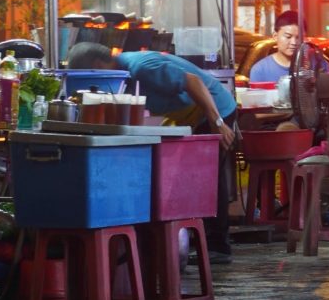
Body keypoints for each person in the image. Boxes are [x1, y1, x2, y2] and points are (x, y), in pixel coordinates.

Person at [67, 42, 237, 264]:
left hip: (215, 111)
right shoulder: (122, 76)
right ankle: (198, 240)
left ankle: (219, 247)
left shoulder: (142, 67)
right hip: (188, 116)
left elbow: (193, 82)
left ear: (98, 65)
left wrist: (217, 122)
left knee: (208, 179)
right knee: (184, 179)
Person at [249, 11, 302, 84]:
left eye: (298, 38)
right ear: (275, 36)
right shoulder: (260, 70)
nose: (294, 42)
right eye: (288, 37)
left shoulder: (314, 65)